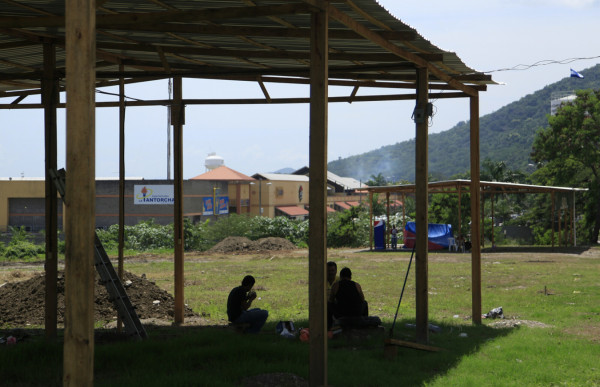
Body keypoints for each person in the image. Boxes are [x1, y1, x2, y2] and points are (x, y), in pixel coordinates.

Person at [326, 261, 339, 329]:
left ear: (336, 271)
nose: (331, 273)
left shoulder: (340, 280)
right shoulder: (320, 281)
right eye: (328, 271)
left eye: (332, 270)